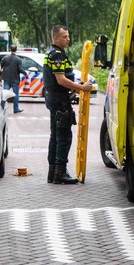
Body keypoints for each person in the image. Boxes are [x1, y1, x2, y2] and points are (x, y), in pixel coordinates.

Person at [43, 25, 93, 185]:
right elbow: (60, 80)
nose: (68, 39)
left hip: (55, 99)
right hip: (59, 101)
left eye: (68, 36)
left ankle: (53, 173)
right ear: (56, 38)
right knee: (63, 137)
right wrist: (82, 88)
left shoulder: (51, 54)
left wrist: (75, 88)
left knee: (55, 136)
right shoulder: (57, 55)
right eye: (64, 36)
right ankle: (60, 173)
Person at [0, 44, 25, 114]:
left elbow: (0, 67)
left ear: (10, 50)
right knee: (16, 94)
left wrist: (0, 76)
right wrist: (25, 73)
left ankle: (2, 108)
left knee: (4, 94)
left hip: (6, 79)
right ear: (16, 50)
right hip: (15, 79)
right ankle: (16, 109)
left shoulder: (5, 58)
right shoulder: (18, 59)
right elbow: (20, 69)